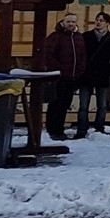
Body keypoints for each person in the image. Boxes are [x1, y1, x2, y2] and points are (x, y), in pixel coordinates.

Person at [75, 11, 110, 138]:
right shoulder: (86, 36)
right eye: (97, 19)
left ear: (107, 23)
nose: (98, 22)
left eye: (102, 20)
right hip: (86, 74)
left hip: (103, 75)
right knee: (83, 105)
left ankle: (99, 128)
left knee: (102, 105)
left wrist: (109, 71)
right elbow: (79, 54)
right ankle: (81, 129)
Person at [38, 11, 86, 140]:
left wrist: (80, 71)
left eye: (73, 21)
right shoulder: (56, 36)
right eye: (68, 21)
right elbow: (47, 54)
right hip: (59, 77)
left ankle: (60, 129)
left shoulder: (79, 37)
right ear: (63, 22)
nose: (71, 24)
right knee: (56, 103)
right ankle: (52, 129)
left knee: (65, 104)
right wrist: (59, 69)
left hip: (73, 76)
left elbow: (82, 56)